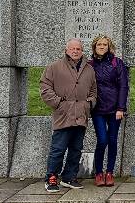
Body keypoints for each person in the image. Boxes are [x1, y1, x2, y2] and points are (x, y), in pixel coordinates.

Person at [40, 38, 96, 193]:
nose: (75, 51)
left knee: (76, 149)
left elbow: (93, 90)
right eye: (72, 49)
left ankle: (69, 177)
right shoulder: (54, 67)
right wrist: (58, 103)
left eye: (78, 49)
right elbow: (45, 88)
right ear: (66, 50)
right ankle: (51, 177)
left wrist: (89, 103)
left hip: (81, 115)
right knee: (58, 149)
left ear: (82, 51)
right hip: (63, 115)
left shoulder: (89, 69)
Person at [90, 34, 129, 187]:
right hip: (98, 109)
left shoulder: (116, 63)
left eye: (104, 44)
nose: (101, 47)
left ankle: (110, 172)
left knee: (112, 140)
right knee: (102, 140)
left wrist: (121, 108)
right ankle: (98, 172)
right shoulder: (90, 65)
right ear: (94, 46)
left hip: (114, 109)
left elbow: (123, 86)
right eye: (99, 44)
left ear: (109, 47)